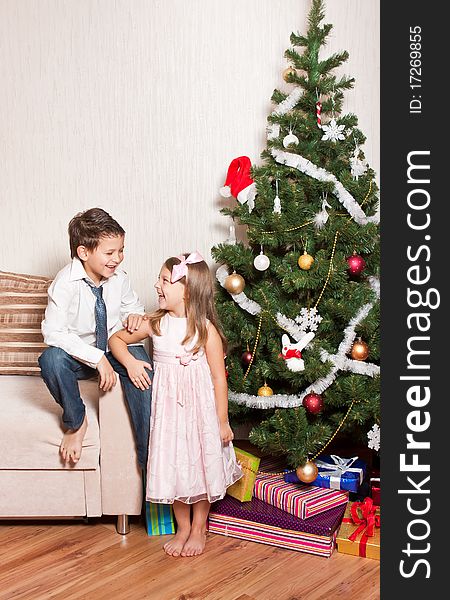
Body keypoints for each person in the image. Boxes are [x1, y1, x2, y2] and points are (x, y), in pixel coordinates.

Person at [109, 252, 242, 557]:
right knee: (177, 467)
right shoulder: (155, 323)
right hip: (169, 414)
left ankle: (199, 527)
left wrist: (222, 421)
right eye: (160, 279)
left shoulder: (206, 330)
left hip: (201, 413)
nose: (157, 285)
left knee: (201, 464)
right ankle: (183, 528)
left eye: (165, 280)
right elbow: (116, 341)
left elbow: (219, 380)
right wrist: (130, 362)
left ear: (187, 290)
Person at [38, 207, 152, 469]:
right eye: (110, 253)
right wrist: (97, 358)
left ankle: (149, 466)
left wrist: (135, 315)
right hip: (82, 355)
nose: (117, 258)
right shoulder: (65, 283)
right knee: (51, 359)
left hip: (116, 347)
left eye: (121, 250)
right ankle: (76, 422)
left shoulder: (119, 279)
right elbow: (53, 332)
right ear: (84, 252)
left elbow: (132, 306)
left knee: (145, 378)